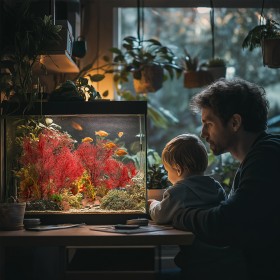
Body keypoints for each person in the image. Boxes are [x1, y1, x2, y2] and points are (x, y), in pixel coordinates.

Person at [172, 77, 280, 280]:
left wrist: (178, 214)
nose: (203, 133)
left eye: (208, 124)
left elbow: (224, 224)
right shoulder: (258, 155)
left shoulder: (266, 158)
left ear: (235, 122)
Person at [148, 134, 246, 280]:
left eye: (168, 171)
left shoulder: (178, 191)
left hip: (197, 258)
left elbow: (161, 216)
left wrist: (152, 204)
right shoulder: (216, 186)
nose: (168, 176)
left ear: (178, 169)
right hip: (223, 255)